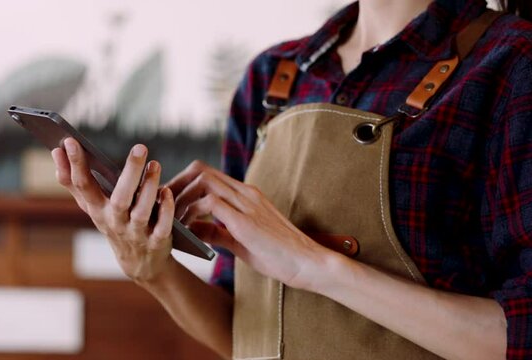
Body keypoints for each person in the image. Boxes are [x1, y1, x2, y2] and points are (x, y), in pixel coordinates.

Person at [51, 0, 532, 359]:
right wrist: (148, 266)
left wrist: (315, 266)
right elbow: (241, 328)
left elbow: (520, 335)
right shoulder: (272, 77)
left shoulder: (510, 63)